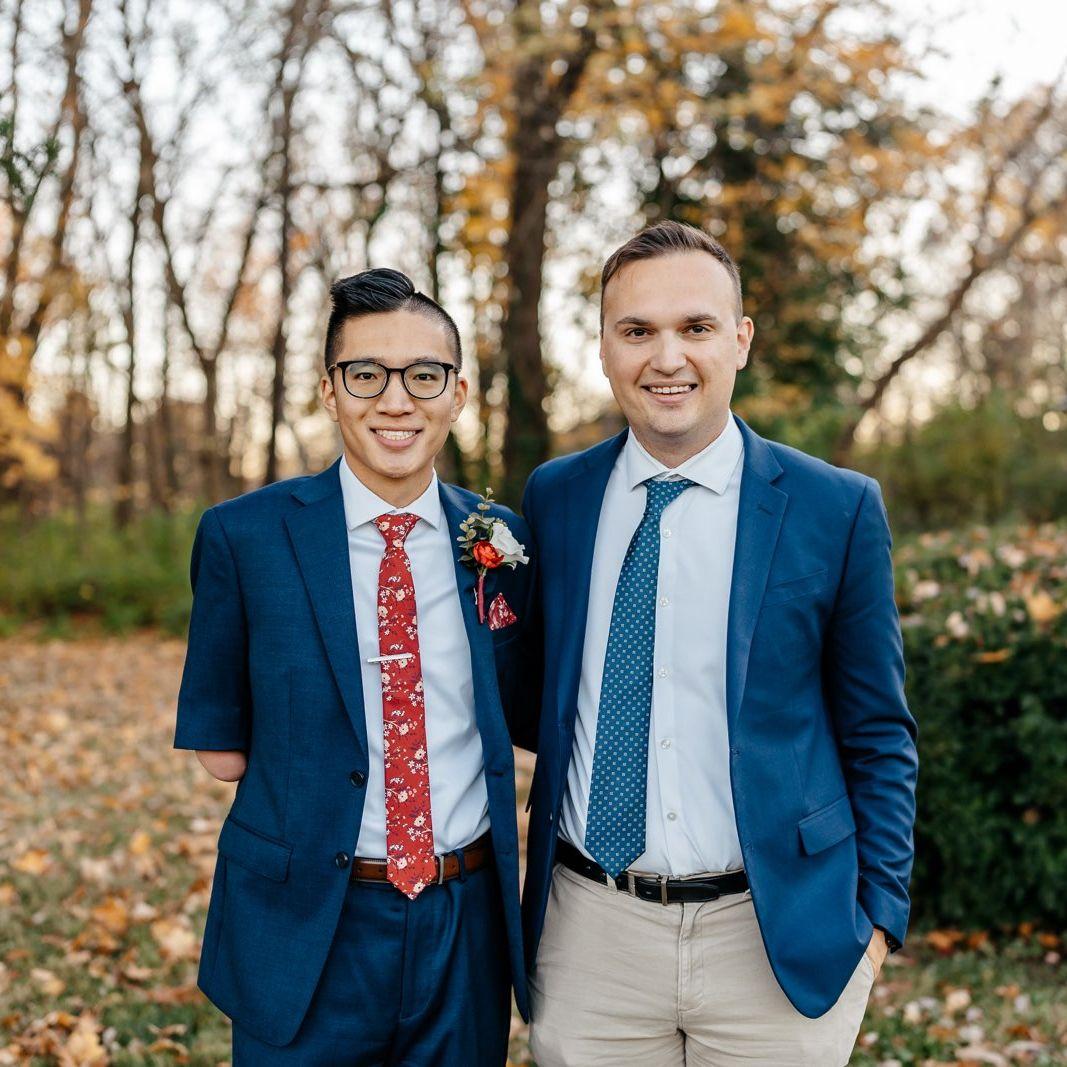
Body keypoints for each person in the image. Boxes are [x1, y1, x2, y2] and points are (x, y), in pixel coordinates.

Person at [520, 221, 918, 1065]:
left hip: (773, 933)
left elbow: (878, 731)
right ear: (603, 348)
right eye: (637, 330)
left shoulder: (835, 507)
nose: (666, 357)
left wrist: (878, 922)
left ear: (739, 340)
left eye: (694, 327)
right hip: (590, 935)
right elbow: (534, 699)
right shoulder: (554, 499)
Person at [173, 268, 535, 1065]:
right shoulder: (245, 536)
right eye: (366, 374)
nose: (395, 400)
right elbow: (221, 748)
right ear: (330, 392)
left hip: (463, 922)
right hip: (304, 920)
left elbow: (522, 706)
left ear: (457, 394)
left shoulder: (499, 539)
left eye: (423, 375)